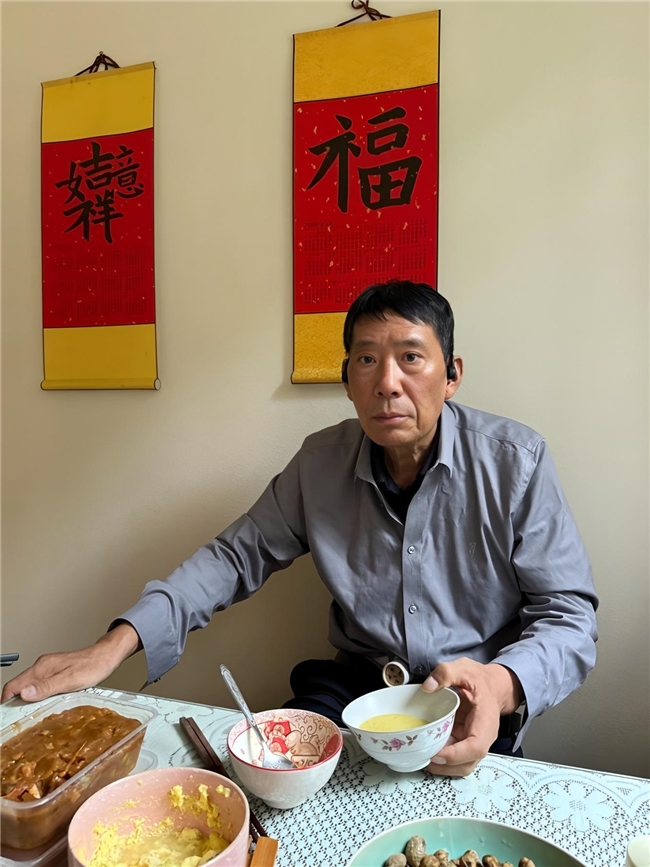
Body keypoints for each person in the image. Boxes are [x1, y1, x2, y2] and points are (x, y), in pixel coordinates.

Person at [2, 281, 598, 778]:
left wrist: (500, 685)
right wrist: (113, 645)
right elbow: (234, 558)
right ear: (347, 379)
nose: (387, 381)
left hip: (468, 702)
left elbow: (570, 617)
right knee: (265, 790)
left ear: (452, 375)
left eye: (411, 357)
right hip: (356, 693)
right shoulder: (319, 464)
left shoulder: (516, 463)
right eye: (367, 359)